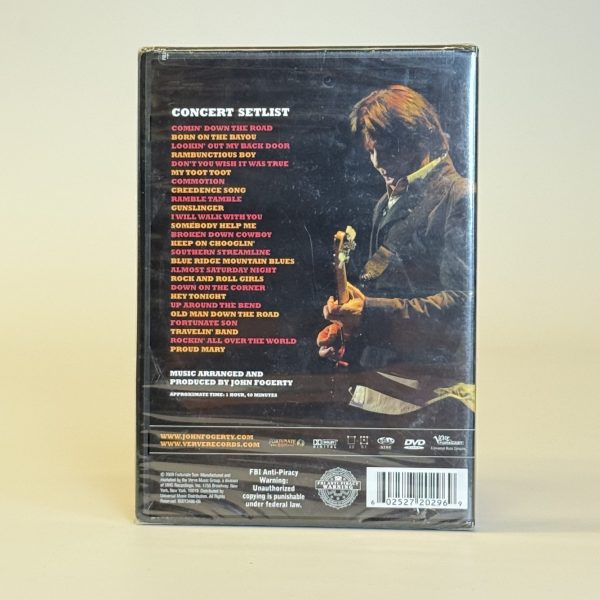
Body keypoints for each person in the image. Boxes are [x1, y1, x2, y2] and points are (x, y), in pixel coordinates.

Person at [316, 85, 475, 415]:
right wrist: (348, 330)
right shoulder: (385, 203)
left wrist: (368, 313)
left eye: (388, 149)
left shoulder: (460, 196)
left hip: (430, 396)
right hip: (380, 390)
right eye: (372, 151)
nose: (378, 162)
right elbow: (387, 294)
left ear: (421, 137)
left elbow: (462, 306)